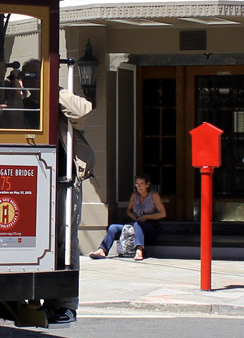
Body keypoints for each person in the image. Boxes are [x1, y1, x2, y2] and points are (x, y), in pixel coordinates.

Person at [45, 87, 95, 324]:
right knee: (43, 242)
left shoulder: (61, 100)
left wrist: (53, 87)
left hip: (65, 180)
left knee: (65, 240)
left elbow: (83, 109)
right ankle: (46, 299)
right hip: (37, 178)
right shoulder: (24, 100)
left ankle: (66, 304)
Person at [90, 173, 166, 261]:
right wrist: (132, 215)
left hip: (150, 228)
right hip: (134, 226)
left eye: (141, 184)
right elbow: (128, 210)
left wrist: (146, 217)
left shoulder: (153, 195)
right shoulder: (135, 195)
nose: (139, 186)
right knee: (113, 227)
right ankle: (102, 250)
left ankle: (139, 250)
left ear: (147, 185)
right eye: (137, 184)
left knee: (138, 224)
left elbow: (163, 214)